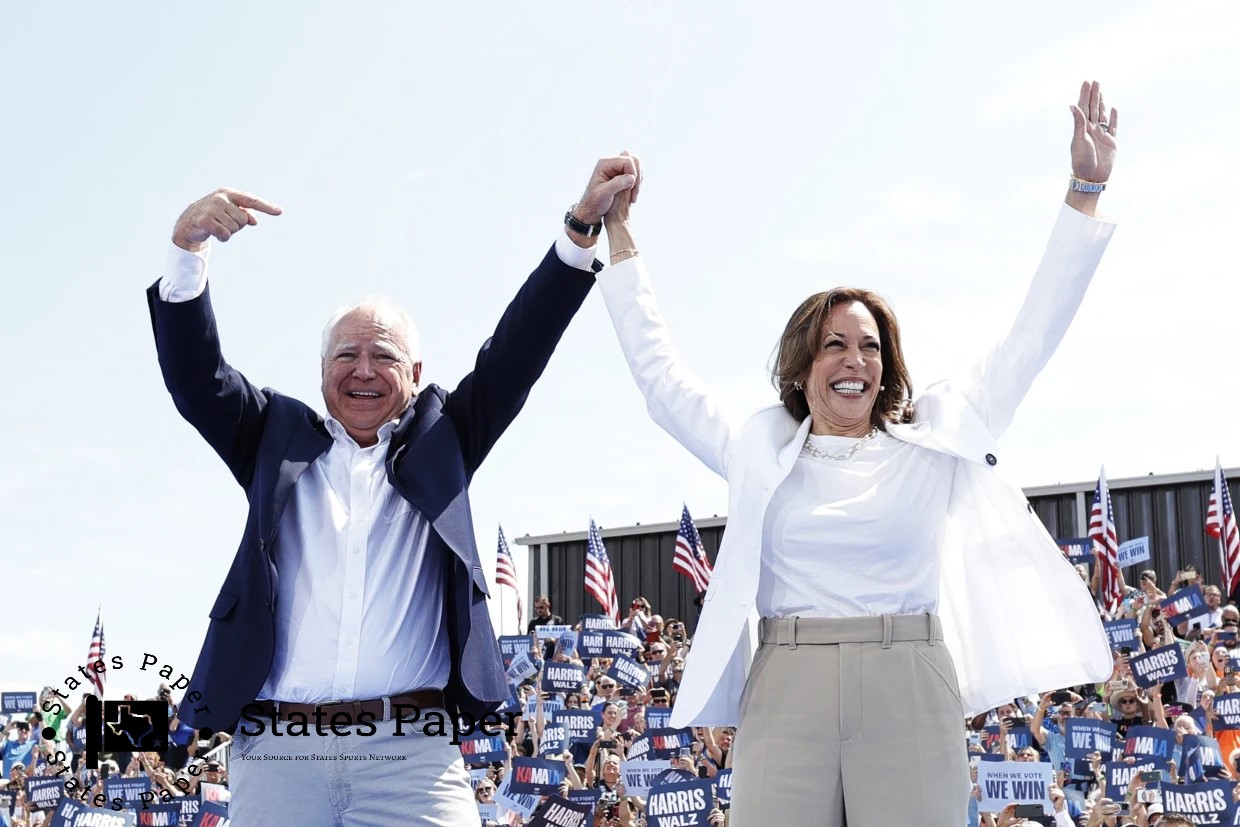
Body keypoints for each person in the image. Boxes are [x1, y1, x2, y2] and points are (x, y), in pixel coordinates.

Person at [593, 81, 1119, 825]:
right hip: (785, 684)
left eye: (870, 345)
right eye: (834, 343)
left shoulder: (932, 439)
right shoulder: (758, 446)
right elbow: (661, 378)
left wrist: (1084, 190)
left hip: (908, 679)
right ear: (802, 367)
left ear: (888, 364)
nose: (854, 359)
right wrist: (617, 234)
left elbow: (1029, 340)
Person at [147, 155, 640, 825]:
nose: (363, 370)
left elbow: (517, 352)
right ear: (322, 371)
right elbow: (196, 378)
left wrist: (580, 226)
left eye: (383, 356)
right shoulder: (272, 438)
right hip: (279, 752)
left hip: (412, 756)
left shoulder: (446, 441)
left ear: (414, 373)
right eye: (347, 355)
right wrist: (187, 250)